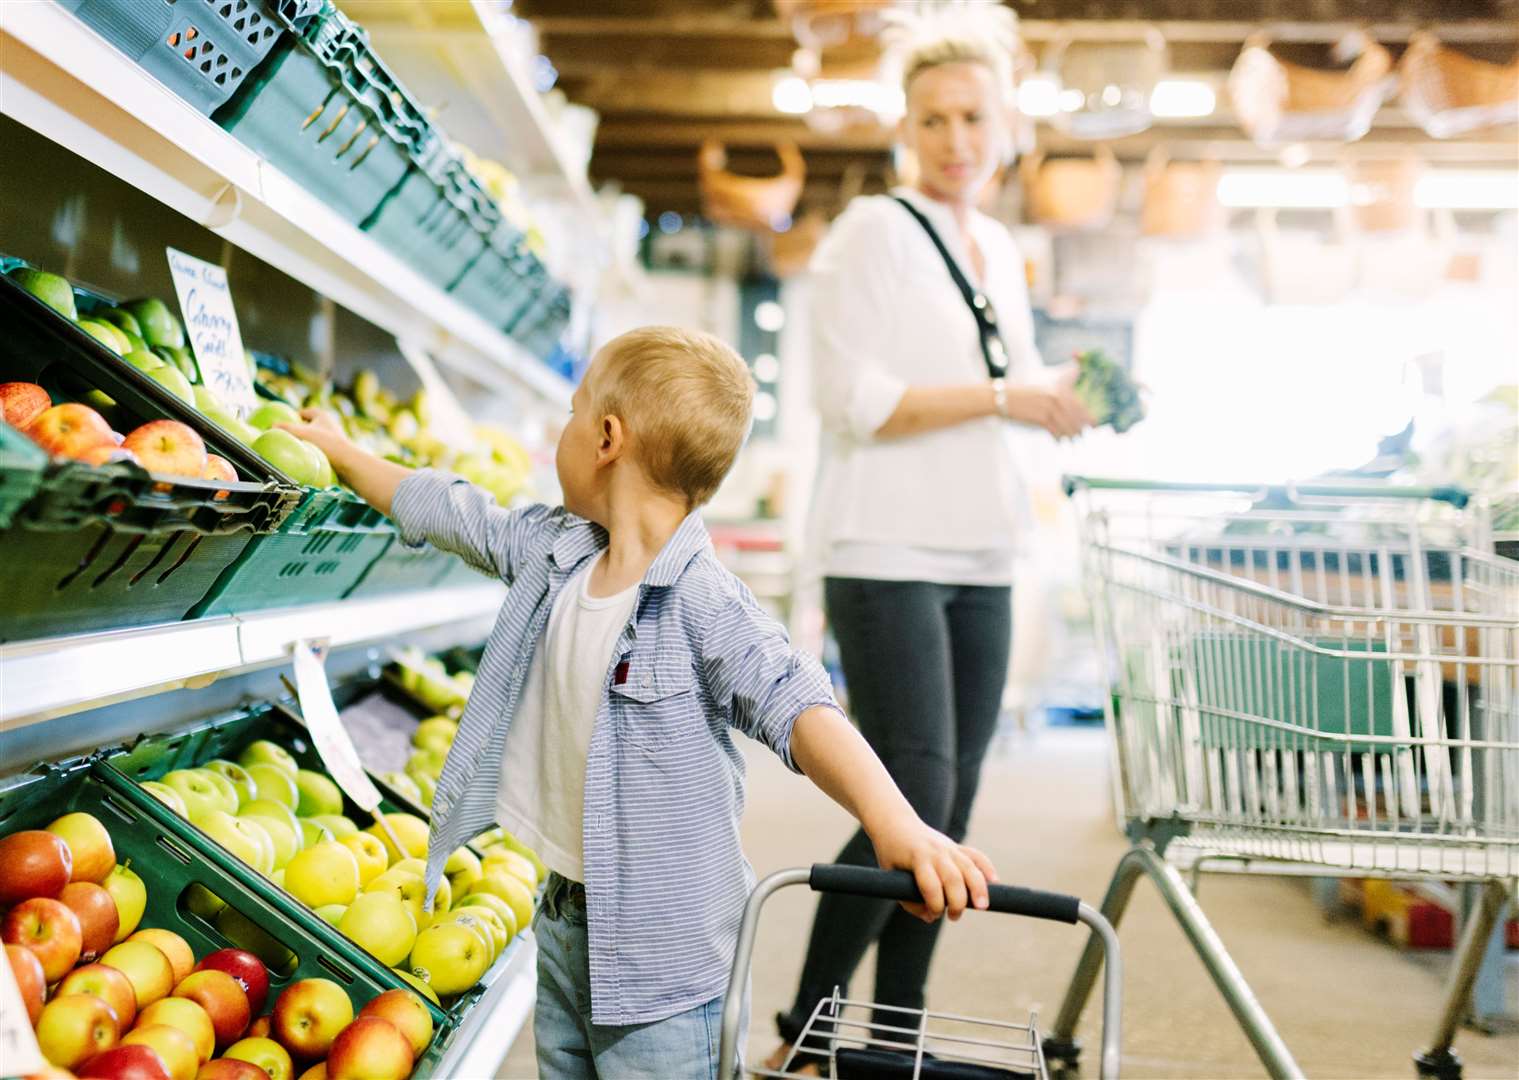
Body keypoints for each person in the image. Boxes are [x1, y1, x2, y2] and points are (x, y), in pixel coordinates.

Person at [278, 325, 997, 1080]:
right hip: (563, 915)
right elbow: (458, 514)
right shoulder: (557, 552)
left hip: (667, 955)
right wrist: (347, 454)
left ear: (606, 438)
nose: (563, 427)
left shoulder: (701, 601)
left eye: (572, 410)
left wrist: (897, 824)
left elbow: (797, 703)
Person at [770, 7, 1094, 1068]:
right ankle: (809, 1036)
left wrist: (1054, 402)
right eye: (933, 118)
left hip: (983, 553)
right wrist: (1008, 395)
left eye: (973, 117)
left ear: (1007, 128)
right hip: (884, 550)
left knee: (947, 809)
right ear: (906, 127)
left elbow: (1008, 395)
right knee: (906, 794)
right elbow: (853, 397)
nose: (955, 138)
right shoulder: (872, 230)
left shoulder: (999, 247)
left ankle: (893, 1045)